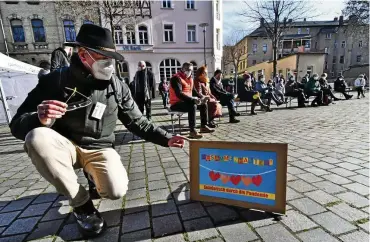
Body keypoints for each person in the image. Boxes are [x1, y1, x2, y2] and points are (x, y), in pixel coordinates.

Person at [9, 24, 187, 237]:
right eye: (104, 59)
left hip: (99, 147)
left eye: (112, 60)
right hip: (65, 146)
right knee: (37, 137)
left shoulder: (117, 86)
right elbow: (17, 124)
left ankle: (93, 177)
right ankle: (81, 204)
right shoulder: (55, 80)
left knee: (116, 190)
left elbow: (137, 121)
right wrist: (39, 118)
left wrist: (166, 138)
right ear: (83, 55)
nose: (110, 66)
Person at [169, 62, 214, 139]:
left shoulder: (190, 79)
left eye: (191, 70)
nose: (189, 72)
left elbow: (194, 92)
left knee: (203, 103)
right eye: (188, 70)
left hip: (187, 101)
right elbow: (179, 94)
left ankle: (203, 126)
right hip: (176, 103)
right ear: (183, 69)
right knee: (192, 106)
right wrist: (193, 100)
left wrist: (203, 97)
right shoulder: (176, 78)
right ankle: (192, 131)